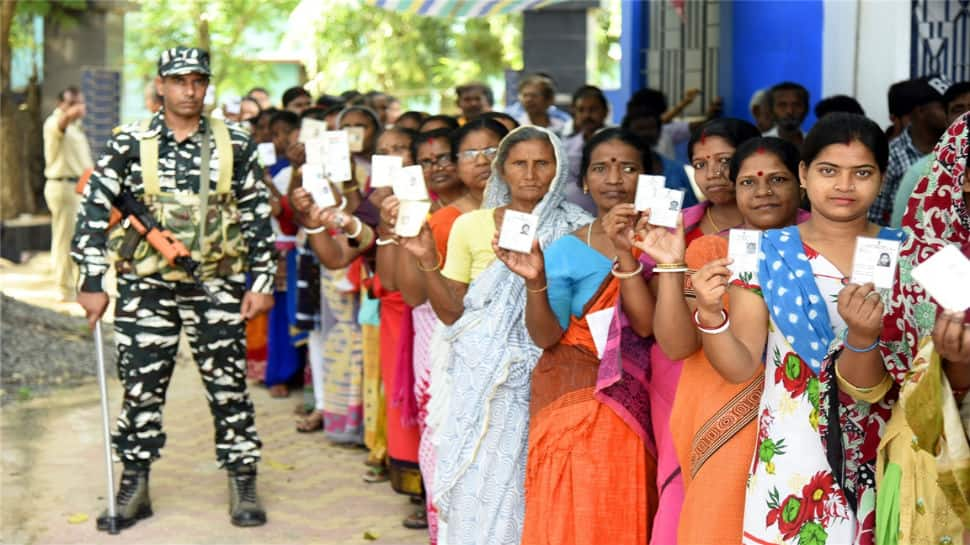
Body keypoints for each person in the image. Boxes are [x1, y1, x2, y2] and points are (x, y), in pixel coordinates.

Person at [72, 46, 276, 529]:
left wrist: (262, 280)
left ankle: (242, 478)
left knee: (229, 386)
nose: (190, 89)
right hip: (146, 286)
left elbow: (257, 217)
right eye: (179, 80)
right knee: (141, 386)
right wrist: (92, 280)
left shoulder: (236, 143)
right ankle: (134, 484)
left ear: (207, 85)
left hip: (217, 282)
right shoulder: (129, 142)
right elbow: (93, 213)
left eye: (198, 80)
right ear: (160, 84)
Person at [694, 113, 900, 544]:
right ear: (804, 174)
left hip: (887, 450)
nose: (844, 186)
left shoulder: (906, 253)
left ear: (881, 178)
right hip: (794, 458)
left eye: (862, 172)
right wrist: (712, 316)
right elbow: (741, 365)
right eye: (829, 171)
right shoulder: (766, 251)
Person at [398, 126, 589, 543]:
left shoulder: (580, 228)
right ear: (502, 170)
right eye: (519, 164)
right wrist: (428, 260)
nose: (531, 174)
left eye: (543, 163)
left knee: (533, 491)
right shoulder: (472, 225)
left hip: (549, 379)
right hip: (481, 382)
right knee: (481, 487)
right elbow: (452, 314)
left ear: (560, 169)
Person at [505, 128, 658, 545]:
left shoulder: (666, 242)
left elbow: (646, 328)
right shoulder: (566, 250)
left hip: (645, 395)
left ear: (648, 177)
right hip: (574, 394)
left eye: (628, 167)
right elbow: (546, 336)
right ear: (584, 181)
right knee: (573, 505)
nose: (614, 178)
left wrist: (628, 249)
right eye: (600, 168)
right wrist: (535, 281)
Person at [663, 136, 807, 545]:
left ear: (801, 181)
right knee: (717, 524)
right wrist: (673, 263)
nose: (763, 192)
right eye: (748, 182)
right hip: (722, 410)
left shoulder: (823, 247)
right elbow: (676, 346)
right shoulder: (711, 249)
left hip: (801, 413)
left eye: (777, 179)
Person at [880, 112, 970, 542]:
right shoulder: (927, 256)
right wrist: (955, 365)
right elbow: (904, 379)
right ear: (963, 176)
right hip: (940, 460)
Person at [870, 75, 953, 225]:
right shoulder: (890, 155)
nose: (949, 112)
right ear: (921, 111)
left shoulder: (956, 151)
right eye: (942, 107)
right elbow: (874, 217)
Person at [890, 81, 970, 226]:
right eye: (958, 109)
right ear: (946, 120)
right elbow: (900, 234)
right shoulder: (921, 172)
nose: (967, 115)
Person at [44, 85, 93, 302]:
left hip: (78, 188)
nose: (77, 108)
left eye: (79, 103)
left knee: (75, 238)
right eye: (71, 103)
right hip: (63, 186)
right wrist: (71, 112)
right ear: (60, 104)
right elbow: (60, 124)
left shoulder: (76, 128)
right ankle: (64, 289)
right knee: (65, 239)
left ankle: (73, 284)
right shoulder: (55, 122)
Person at [563, 85, 609, 209]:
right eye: (581, 110)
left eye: (593, 109)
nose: (587, 115)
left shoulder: (619, 145)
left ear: (605, 111)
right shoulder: (564, 148)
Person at [508, 73, 573, 138]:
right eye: (525, 95)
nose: (528, 100)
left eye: (534, 96)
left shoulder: (562, 125)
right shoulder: (515, 127)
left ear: (549, 99)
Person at [763, 81, 810, 145]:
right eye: (782, 105)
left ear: (806, 109)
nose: (789, 111)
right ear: (771, 110)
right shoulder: (761, 144)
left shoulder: (815, 145)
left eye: (796, 105)